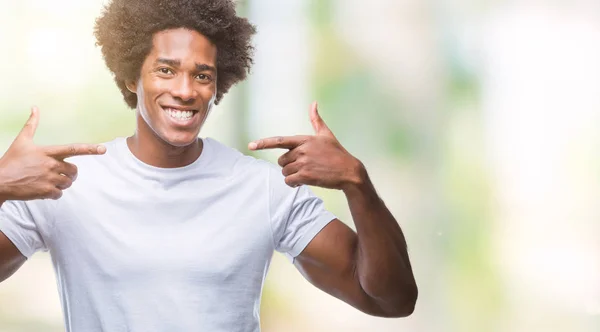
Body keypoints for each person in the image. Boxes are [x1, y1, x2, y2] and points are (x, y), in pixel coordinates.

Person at [0, 0, 417, 331]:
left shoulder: (263, 188)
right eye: (166, 70)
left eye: (202, 76)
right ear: (131, 77)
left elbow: (392, 300)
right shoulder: (66, 185)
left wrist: (357, 184)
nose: (185, 91)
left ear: (219, 85)